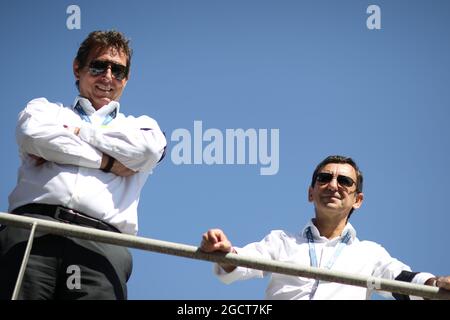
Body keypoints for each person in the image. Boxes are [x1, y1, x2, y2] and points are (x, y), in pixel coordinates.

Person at [0, 30, 167, 300]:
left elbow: (147, 150)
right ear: (77, 68)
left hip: (101, 245)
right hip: (30, 231)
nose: (108, 77)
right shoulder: (44, 111)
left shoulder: (142, 126)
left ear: (127, 79)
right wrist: (108, 162)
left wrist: (79, 133)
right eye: (99, 65)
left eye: (119, 71)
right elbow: (32, 134)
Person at [200, 155, 450, 299]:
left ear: (358, 200)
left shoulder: (370, 254)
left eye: (344, 181)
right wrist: (224, 252)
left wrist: (435, 284)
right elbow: (240, 263)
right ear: (311, 193)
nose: (333, 185)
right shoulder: (281, 241)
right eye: (324, 178)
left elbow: (402, 281)